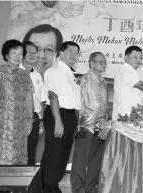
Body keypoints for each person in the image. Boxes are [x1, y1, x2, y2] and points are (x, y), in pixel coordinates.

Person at [29, 41, 82, 193]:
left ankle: (52, 185)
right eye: (71, 51)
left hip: (69, 116)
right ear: (61, 53)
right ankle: (46, 187)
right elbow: (52, 96)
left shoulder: (69, 72)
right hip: (57, 115)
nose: (74, 55)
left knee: (63, 154)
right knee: (54, 153)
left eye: (76, 53)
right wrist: (58, 121)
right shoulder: (55, 71)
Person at [0, 39, 33, 165]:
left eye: (21, 53)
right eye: (14, 53)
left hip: (21, 125)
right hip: (1, 125)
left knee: (19, 160)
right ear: (6, 55)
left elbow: (29, 98)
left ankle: (13, 185)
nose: (18, 56)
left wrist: (30, 119)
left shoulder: (25, 75)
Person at [71, 52, 109, 193]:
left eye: (105, 62)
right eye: (100, 61)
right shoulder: (82, 79)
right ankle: (78, 188)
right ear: (91, 63)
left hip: (102, 125)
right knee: (81, 160)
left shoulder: (104, 82)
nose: (103, 64)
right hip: (86, 124)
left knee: (96, 160)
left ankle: (90, 188)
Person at [20, 41, 47, 165]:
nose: (32, 55)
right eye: (29, 52)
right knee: (16, 150)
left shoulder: (37, 75)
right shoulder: (14, 72)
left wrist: (40, 119)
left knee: (31, 151)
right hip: (17, 116)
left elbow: (41, 100)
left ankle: (28, 183)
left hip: (34, 118)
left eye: (34, 52)